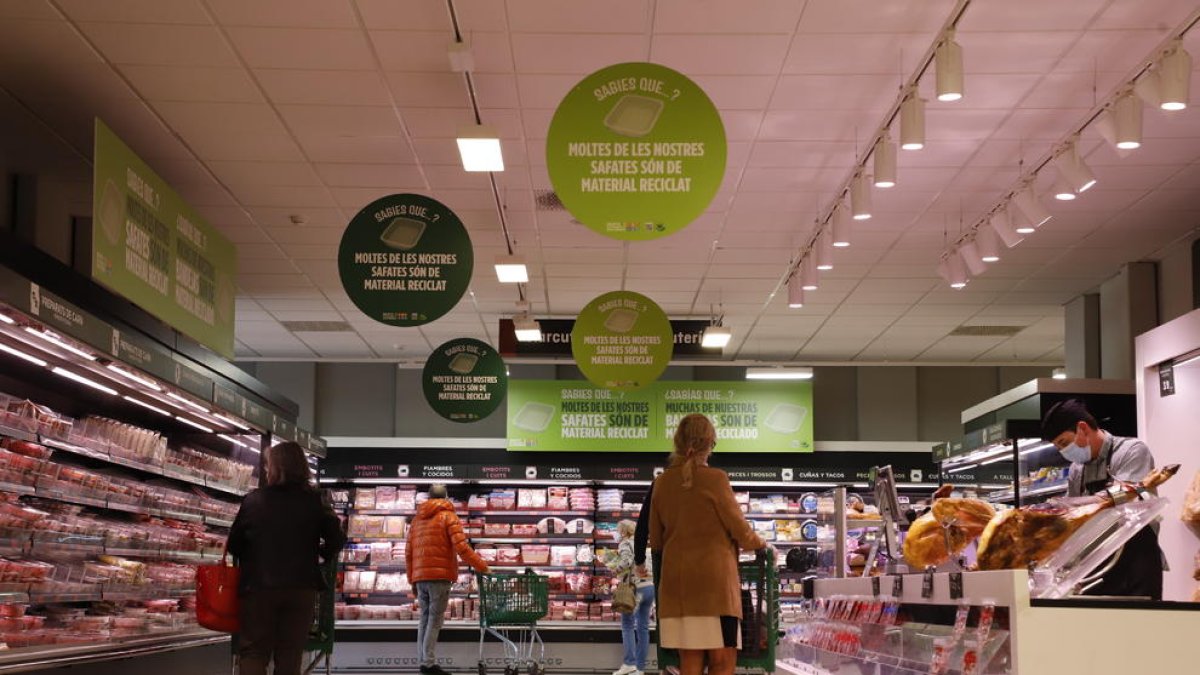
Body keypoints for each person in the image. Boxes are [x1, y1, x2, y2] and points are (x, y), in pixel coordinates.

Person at [649, 414, 772, 675]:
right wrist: (763, 543)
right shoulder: (715, 479)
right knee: (722, 661)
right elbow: (741, 531)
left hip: (677, 591)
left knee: (689, 663)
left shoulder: (661, 483)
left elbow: (656, 540)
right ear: (708, 444)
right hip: (714, 590)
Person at [227, 442, 345, 675]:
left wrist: (255, 556)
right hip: (301, 588)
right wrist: (321, 556)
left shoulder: (254, 500)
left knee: (253, 651)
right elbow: (337, 538)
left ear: (273, 467)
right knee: (290, 653)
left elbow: (234, 544)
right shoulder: (315, 500)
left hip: (259, 588)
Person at [1041, 398, 1163, 599]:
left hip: (1136, 562)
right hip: (1093, 564)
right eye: (1059, 447)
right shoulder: (1076, 469)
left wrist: (1080, 503)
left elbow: (1125, 494)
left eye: (1064, 443)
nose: (1064, 451)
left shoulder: (1131, 450)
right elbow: (1073, 517)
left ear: (1082, 428)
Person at [406, 484, 490, 675]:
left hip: (421, 578)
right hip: (440, 577)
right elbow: (462, 548)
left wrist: (412, 579)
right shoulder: (449, 516)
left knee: (424, 619)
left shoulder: (417, 520)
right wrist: (483, 566)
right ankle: (428, 664)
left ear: (428, 497)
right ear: (446, 497)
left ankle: (424, 661)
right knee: (434, 621)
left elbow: (408, 553)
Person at [606, 519, 654, 675]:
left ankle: (629, 663)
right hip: (649, 588)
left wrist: (614, 568)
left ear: (623, 532)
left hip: (635, 589)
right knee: (643, 628)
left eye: (618, 531)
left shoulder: (626, 543)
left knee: (627, 625)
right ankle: (639, 668)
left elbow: (627, 562)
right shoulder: (644, 544)